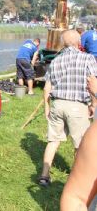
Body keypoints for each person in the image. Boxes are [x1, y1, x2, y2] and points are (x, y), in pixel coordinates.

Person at [39, 30, 97, 187]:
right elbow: (92, 83)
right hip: (77, 107)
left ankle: (44, 176)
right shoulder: (88, 58)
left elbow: (47, 87)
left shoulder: (55, 60)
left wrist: (46, 106)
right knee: (80, 145)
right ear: (79, 43)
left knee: (53, 141)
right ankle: (77, 179)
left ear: (63, 43)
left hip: (57, 104)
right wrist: (93, 104)